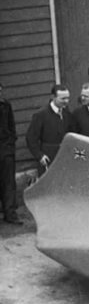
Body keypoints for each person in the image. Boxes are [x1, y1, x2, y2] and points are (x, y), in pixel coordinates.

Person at [26, 84, 73, 176]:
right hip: (48, 157)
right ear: (53, 97)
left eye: (68, 98)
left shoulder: (66, 112)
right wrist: (39, 156)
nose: (66, 101)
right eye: (63, 99)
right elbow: (31, 138)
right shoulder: (41, 114)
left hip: (64, 155)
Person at [0, 81, 21, 224]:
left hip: (5, 149)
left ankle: (10, 214)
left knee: (8, 182)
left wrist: (10, 144)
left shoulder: (5, 105)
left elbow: (11, 127)